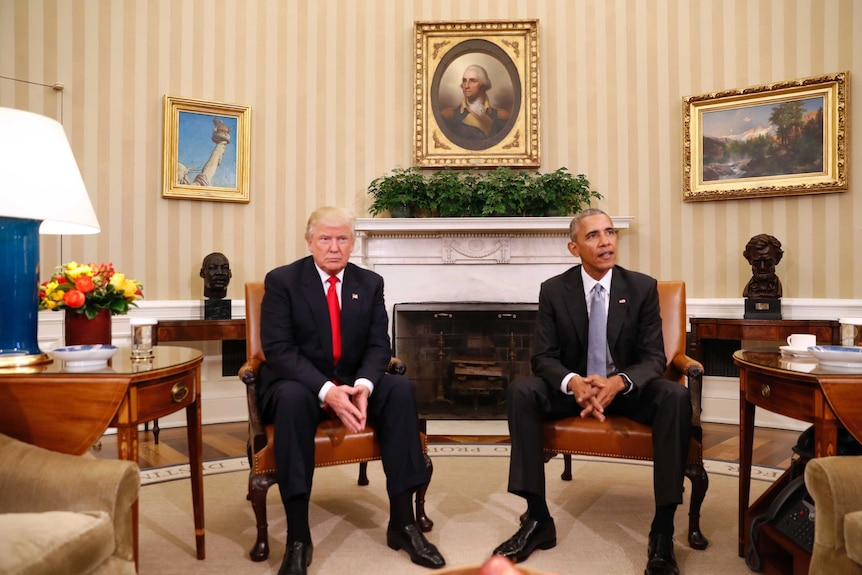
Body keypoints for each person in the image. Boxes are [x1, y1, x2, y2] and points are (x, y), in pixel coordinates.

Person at [492, 208, 691, 575]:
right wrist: (575, 383)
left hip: (627, 389)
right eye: (594, 236)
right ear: (574, 248)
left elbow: (653, 357)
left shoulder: (642, 287)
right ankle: (537, 519)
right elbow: (543, 357)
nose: (606, 242)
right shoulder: (554, 290)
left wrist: (618, 382)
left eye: (610, 233)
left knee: (675, 396)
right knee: (522, 391)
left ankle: (662, 530)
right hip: (575, 390)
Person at [257, 206, 446, 575]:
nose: (333, 247)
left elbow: (379, 345)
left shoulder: (369, 283)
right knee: (294, 400)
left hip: (353, 381)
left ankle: (403, 524)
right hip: (299, 384)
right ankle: (299, 537)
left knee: (400, 391)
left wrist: (362, 386)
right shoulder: (282, 281)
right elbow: (279, 350)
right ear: (310, 242)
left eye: (342, 238)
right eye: (325, 238)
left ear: (352, 243)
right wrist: (326, 390)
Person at [440, 64, 510, 141]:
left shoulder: (501, 116)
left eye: (472, 81)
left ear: (483, 85)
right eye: (464, 81)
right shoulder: (450, 116)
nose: (466, 86)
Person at [742, 234, 783, 298]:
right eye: (757, 262)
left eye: (768, 262)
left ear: (777, 260)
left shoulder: (777, 289)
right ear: (749, 260)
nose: (762, 267)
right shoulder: (749, 290)